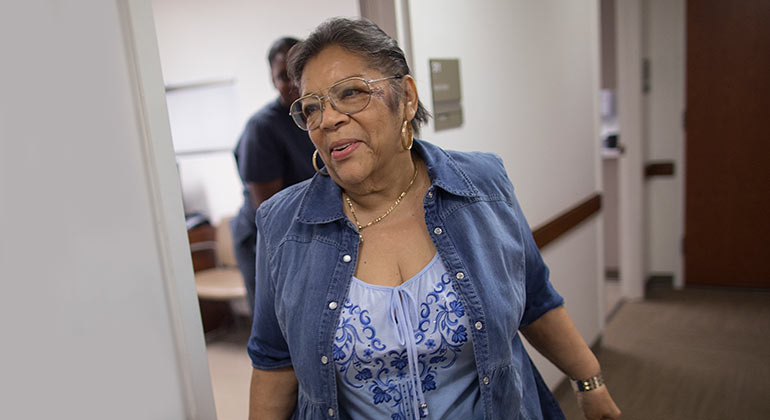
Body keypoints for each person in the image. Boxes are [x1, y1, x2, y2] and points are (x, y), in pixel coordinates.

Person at [247, 18, 622, 420]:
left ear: (405, 97)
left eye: (351, 93)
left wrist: (590, 382)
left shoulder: (481, 186)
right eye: (312, 107)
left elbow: (535, 298)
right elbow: (274, 362)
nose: (328, 120)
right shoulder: (284, 225)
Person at [231, 37, 316, 312]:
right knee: (277, 321)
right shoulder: (263, 129)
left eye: (297, 73)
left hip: (305, 230)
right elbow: (271, 212)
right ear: (272, 80)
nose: (292, 83)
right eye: (282, 76)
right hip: (266, 239)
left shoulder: (317, 115)